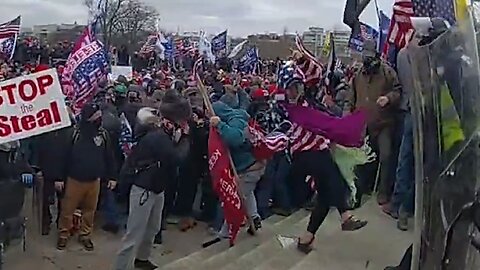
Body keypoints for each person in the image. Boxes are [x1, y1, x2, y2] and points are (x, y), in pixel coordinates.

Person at [114, 90, 191, 270]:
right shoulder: (157, 137)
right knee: (134, 233)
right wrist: (185, 138)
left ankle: (142, 258)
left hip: (157, 187)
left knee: (152, 229)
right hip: (144, 189)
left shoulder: (162, 133)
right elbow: (176, 158)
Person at [56, 103, 118, 251]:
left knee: (90, 211)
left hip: (94, 181)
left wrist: (112, 177)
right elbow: (61, 157)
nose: (99, 118)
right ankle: (63, 235)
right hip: (74, 180)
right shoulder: (73, 133)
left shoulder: (103, 134)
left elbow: (109, 157)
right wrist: (58, 178)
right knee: (67, 211)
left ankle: (85, 235)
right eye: (96, 116)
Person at [348, 39, 402, 205]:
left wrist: (388, 98)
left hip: (383, 123)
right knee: (361, 160)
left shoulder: (387, 72)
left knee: (386, 157)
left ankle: (384, 192)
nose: (368, 60)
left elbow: (398, 90)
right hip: (363, 125)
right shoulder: (358, 75)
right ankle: (358, 192)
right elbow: (352, 98)